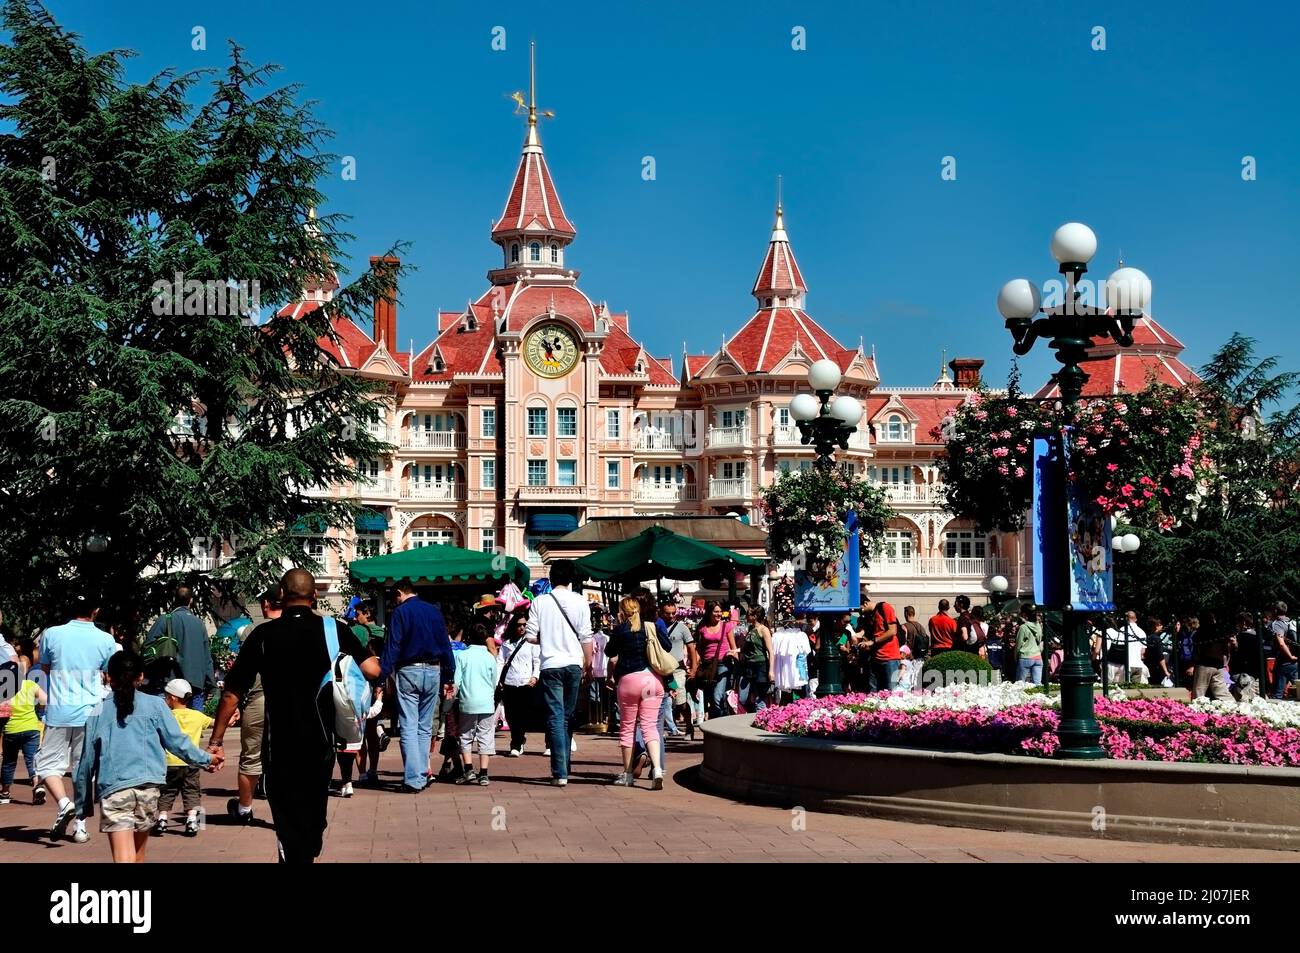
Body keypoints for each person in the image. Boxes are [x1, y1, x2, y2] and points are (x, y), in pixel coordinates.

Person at [210, 569, 380, 863]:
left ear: (283, 597)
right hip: (321, 742)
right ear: (314, 596)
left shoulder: (263, 635)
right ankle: (302, 850)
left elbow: (231, 693)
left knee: (288, 820)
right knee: (314, 820)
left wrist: (216, 739)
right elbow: (372, 670)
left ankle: (292, 850)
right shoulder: (333, 629)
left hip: (279, 747)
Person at [75, 653, 216, 863]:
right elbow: (178, 742)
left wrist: (83, 804)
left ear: (107, 677)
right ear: (140, 676)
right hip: (148, 787)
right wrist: (207, 759)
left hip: (115, 788)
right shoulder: (156, 705)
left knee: (124, 858)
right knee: (138, 856)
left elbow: (85, 762)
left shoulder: (97, 711)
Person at [38, 593, 119, 844]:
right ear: (95, 610)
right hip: (91, 710)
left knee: (46, 765)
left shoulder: (52, 634)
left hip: (59, 709)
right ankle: (80, 826)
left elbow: (45, 667)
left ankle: (64, 804)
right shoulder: (106, 639)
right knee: (82, 770)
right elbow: (108, 674)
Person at [379, 580, 456, 793]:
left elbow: (392, 647)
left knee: (409, 725)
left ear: (399, 592)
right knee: (424, 726)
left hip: (409, 669)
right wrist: (449, 676)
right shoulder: (434, 612)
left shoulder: (400, 613)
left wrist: (380, 677)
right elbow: (445, 645)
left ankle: (413, 779)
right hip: (433, 670)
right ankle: (422, 774)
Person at [525, 560, 593, 786]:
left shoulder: (540, 602)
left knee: (555, 716)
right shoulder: (581, 601)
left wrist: (548, 638)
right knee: (566, 717)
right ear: (571, 579)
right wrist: (588, 663)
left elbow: (529, 636)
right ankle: (564, 766)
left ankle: (560, 771)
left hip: (551, 664)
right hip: (574, 663)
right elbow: (586, 637)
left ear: (551, 578)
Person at [605, 596, 668, 789]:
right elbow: (667, 646)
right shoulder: (650, 626)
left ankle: (628, 774)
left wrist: (617, 625)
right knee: (650, 726)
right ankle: (657, 769)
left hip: (629, 682)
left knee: (628, 728)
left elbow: (609, 651)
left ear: (622, 612)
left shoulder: (620, 630)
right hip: (651, 681)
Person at [228, 586, 278, 824]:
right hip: (292, 700)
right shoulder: (303, 627)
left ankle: (245, 808)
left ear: (267, 604)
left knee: (251, 755)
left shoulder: (253, 630)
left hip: (258, 697)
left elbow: (241, 675)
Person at [155, 678, 213, 836]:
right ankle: (192, 821)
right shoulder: (197, 716)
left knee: (166, 791)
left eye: (166, 696)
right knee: (192, 791)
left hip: (169, 762)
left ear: (173, 698)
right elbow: (214, 723)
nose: (165, 699)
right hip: (191, 762)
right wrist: (231, 718)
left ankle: (162, 819)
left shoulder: (166, 716)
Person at [143, 585, 217, 709]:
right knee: (193, 725)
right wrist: (211, 685)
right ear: (191, 600)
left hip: (169, 685)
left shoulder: (165, 620)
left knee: (165, 725)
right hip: (195, 686)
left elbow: (148, 649)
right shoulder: (199, 624)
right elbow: (206, 658)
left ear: (174, 599)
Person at [1, 638, 46, 805]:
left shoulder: (5, 689)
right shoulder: (30, 685)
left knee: (9, 761)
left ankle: (5, 792)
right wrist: (35, 707)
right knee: (32, 758)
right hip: (31, 727)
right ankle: (37, 785)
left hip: (11, 729)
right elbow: (44, 701)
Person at [453, 622, 499, 785]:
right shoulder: (490, 657)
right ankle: (484, 773)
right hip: (487, 702)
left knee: (465, 736)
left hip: (468, 701)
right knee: (485, 736)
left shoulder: (462, 656)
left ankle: (469, 769)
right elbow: (494, 681)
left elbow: (456, 681)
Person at [352, 601, 388, 786]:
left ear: (367, 613)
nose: (355, 617)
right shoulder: (384, 632)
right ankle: (373, 770)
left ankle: (362, 773)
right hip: (379, 683)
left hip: (360, 682)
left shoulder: (358, 631)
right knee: (372, 732)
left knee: (360, 731)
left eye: (357, 613)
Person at [499, 608, 541, 757]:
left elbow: (537, 661)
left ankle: (516, 743)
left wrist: (535, 676)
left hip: (525, 682)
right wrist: (499, 680)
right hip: (510, 682)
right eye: (519, 624)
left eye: (524, 624)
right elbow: (500, 662)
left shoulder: (531, 642)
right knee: (511, 715)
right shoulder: (506, 644)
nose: (522, 627)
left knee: (522, 715)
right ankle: (517, 740)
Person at [657, 598, 697, 739]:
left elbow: (691, 648)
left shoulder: (682, 627)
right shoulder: (656, 627)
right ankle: (662, 729)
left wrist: (693, 668)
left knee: (680, 700)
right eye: (668, 613)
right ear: (661, 613)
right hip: (662, 671)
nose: (671, 616)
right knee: (664, 701)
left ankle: (689, 727)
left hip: (677, 671)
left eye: (673, 613)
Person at [692, 601, 738, 718]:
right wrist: (694, 666)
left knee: (718, 696)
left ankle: (720, 723)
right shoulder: (703, 627)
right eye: (716, 612)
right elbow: (699, 648)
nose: (719, 614)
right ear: (709, 612)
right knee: (710, 697)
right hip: (707, 665)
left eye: (720, 611)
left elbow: (733, 647)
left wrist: (735, 657)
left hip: (723, 664)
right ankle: (717, 722)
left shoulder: (726, 626)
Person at [859, 590, 902, 692]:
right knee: (873, 692)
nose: (860, 612)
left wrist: (873, 641)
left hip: (889, 657)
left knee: (891, 691)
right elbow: (861, 633)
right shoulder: (866, 617)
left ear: (865, 603)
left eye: (860, 609)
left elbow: (892, 631)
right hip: (875, 658)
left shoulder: (885, 607)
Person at [1186, 616, 1234, 701]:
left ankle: (1197, 712)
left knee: (1199, 693)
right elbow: (1226, 648)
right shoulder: (1220, 631)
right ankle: (1233, 708)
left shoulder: (1200, 632)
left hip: (1205, 665)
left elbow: (1196, 651)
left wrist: (1192, 665)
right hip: (1219, 664)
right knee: (1222, 692)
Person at [735, 606, 774, 711]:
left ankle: (760, 720)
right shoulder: (751, 629)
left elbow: (770, 651)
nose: (746, 616)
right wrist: (736, 651)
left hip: (760, 666)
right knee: (743, 698)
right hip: (748, 666)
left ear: (755, 616)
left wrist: (771, 671)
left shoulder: (764, 630)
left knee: (759, 699)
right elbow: (746, 648)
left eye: (748, 614)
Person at [1269, 602, 1297, 699]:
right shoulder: (1292, 622)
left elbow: (1281, 643)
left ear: (1275, 610)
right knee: (1298, 690)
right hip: (1296, 662)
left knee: (1277, 694)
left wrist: (1290, 656)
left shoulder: (1277, 624)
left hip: (1284, 662)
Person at [1014, 607, 1044, 685]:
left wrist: (1015, 656)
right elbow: (1039, 640)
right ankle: (1038, 697)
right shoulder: (1039, 626)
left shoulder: (1023, 627)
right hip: (1037, 657)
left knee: (1020, 683)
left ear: (1025, 615)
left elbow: (1019, 643)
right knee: (1037, 684)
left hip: (1025, 657)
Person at [1145, 617, 1174, 687]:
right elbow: (1160, 656)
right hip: (1158, 669)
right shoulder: (1156, 639)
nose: (1162, 626)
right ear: (1156, 626)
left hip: (1150, 667)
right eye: (1160, 625)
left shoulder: (1149, 637)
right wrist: (1166, 671)